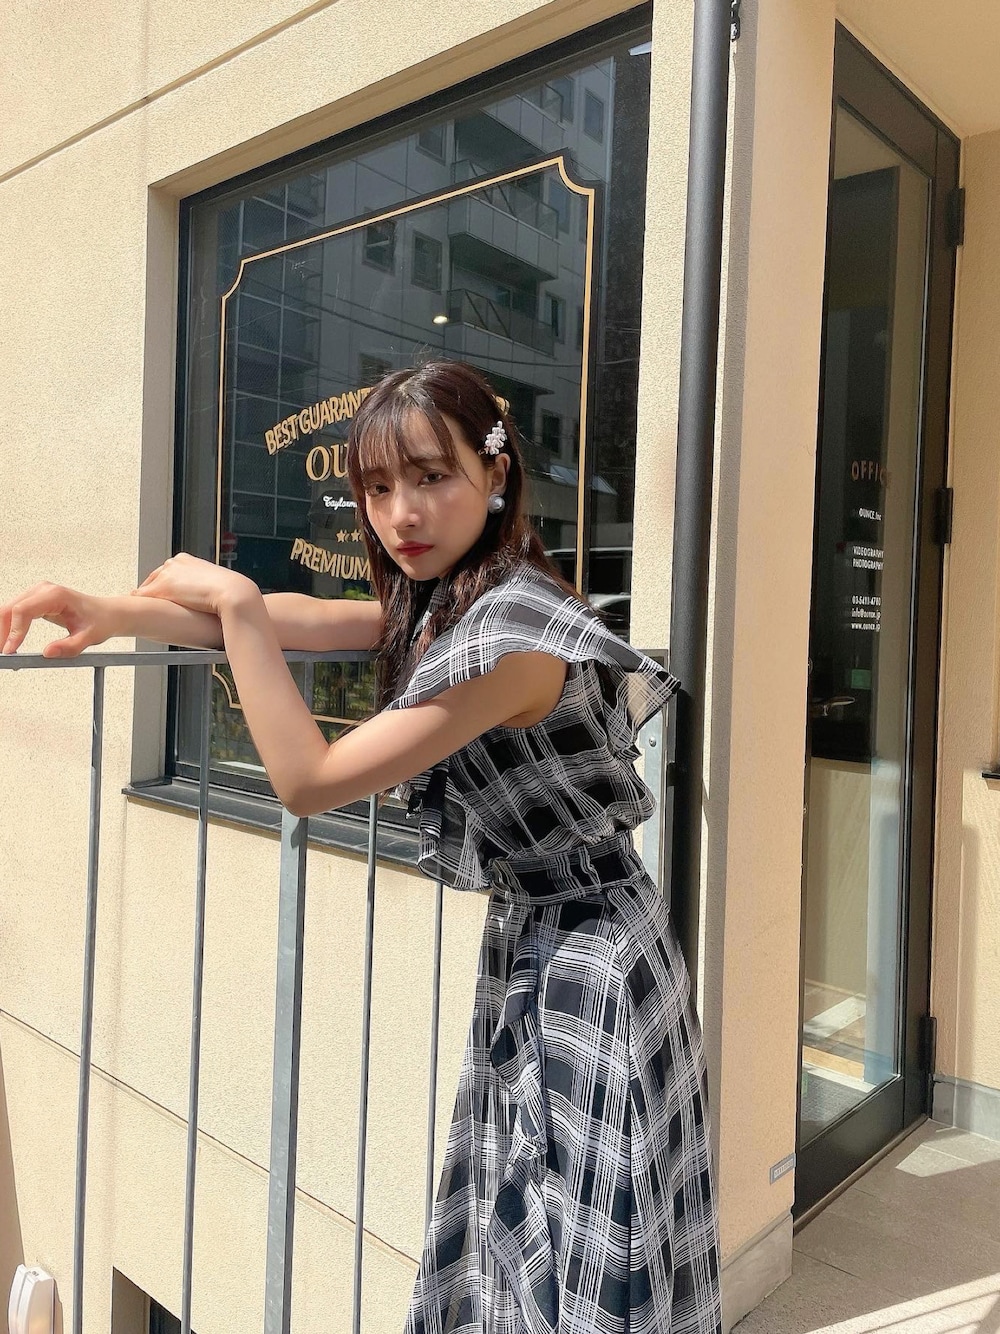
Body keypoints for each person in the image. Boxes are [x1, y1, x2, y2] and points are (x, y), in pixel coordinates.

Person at [1, 360, 722, 1333]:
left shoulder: (509, 636)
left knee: (576, 1245)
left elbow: (309, 779)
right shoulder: (459, 596)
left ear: (495, 473)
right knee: (532, 1235)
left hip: (590, 960)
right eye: (377, 487)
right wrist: (114, 611)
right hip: (556, 939)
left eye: (430, 476)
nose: (399, 512)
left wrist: (235, 599)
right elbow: (305, 622)